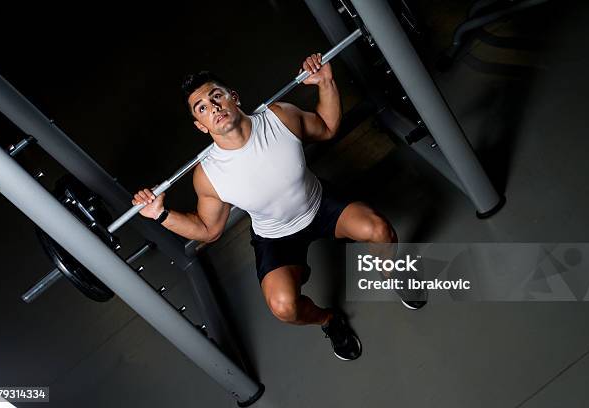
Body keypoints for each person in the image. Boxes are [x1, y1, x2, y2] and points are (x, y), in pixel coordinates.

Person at [132, 53, 424, 361]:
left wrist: (325, 81)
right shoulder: (207, 175)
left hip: (320, 205)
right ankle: (329, 320)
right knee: (284, 308)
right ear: (200, 125)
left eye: (216, 96)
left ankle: (392, 275)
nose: (214, 107)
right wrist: (160, 215)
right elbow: (209, 230)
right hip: (276, 236)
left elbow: (326, 127)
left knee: (379, 230)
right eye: (202, 108)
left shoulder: (279, 116)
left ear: (234, 97)